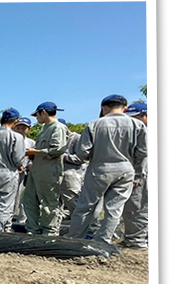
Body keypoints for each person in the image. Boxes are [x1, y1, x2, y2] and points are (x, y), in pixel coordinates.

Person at [66, 95, 147, 244]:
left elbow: (83, 153)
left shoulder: (94, 125)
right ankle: (103, 241)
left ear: (104, 108)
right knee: (115, 208)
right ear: (125, 108)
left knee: (86, 206)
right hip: (125, 169)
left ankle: (74, 238)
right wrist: (136, 173)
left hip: (99, 168)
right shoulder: (137, 125)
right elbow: (143, 152)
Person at [21, 101, 68, 236]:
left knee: (49, 203)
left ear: (44, 112)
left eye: (37, 115)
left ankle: (49, 232)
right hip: (36, 171)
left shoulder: (57, 127)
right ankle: (32, 229)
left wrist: (35, 152)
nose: (36, 118)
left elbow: (57, 149)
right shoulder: (44, 129)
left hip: (50, 171)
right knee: (29, 201)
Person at [120, 102, 149, 249]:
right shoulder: (138, 131)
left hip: (142, 175)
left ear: (146, 116)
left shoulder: (144, 132)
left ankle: (136, 241)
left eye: (135, 117)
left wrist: (137, 177)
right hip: (140, 173)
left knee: (137, 207)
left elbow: (142, 157)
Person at [59, 119, 87, 222]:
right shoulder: (59, 138)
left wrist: (61, 155)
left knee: (74, 202)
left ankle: (82, 225)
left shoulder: (77, 138)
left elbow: (81, 158)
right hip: (57, 174)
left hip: (72, 175)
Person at [11, 116, 36, 226]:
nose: (21, 130)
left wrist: (30, 165)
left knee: (26, 199)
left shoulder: (31, 143)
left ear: (28, 129)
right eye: (19, 128)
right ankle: (9, 219)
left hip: (27, 172)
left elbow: (34, 158)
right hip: (13, 172)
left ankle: (22, 220)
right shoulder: (10, 139)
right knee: (12, 198)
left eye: (23, 128)